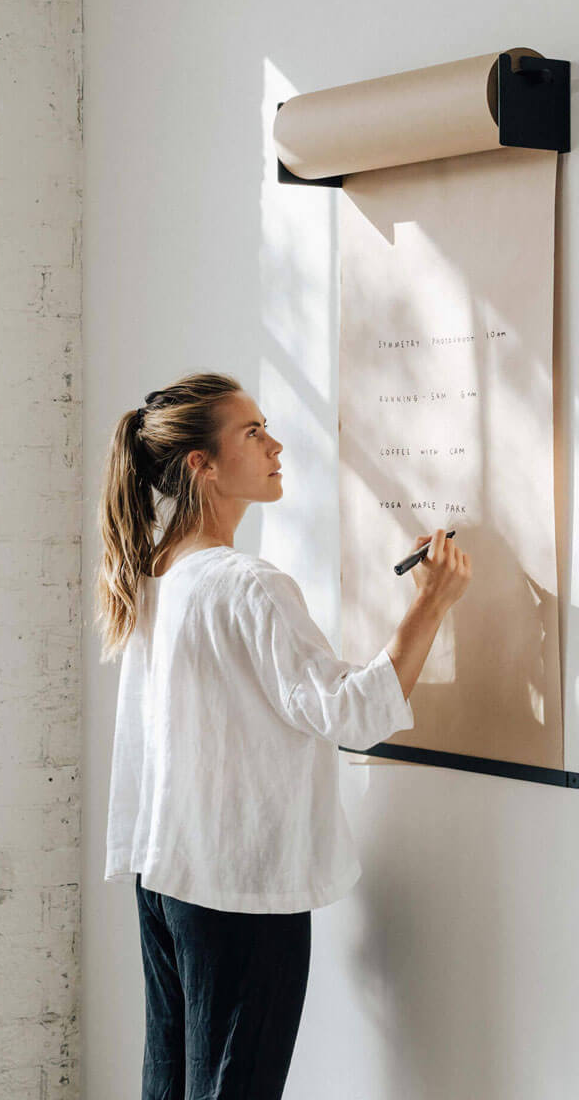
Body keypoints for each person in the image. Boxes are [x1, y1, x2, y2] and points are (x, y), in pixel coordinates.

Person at [94, 371, 472, 1099]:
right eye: (252, 432)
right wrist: (433, 602)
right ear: (202, 465)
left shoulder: (159, 577)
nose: (275, 444)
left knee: (170, 1085)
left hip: (166, 872)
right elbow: (349, 715)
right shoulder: (246, 585)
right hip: (237, 883)